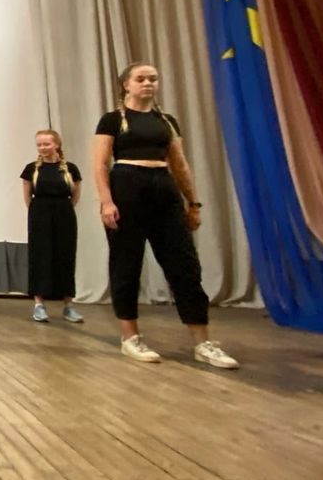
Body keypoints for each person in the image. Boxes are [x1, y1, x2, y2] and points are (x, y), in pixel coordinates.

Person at [92, 62, 238, 369]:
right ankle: (130, 338)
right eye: (141, 79)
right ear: (126, 85)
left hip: (164, 189)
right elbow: (100, 163)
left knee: (185, 266)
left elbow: (180, 164)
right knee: (126, 264)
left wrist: (193, 203)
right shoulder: (112, 120)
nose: (148, 83)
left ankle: (203, 343)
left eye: (153, 79)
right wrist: (106, 202)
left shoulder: (167, 122)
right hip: (127, 188)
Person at [21, 129, 84, 324]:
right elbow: (27, 197)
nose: (42, 148)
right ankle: (39, 304)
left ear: (57, 144)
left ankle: (68, 305)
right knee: (39, 257)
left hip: (64, 215)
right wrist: (39, 213)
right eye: (39, 144)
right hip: (39, 216)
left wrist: (62, 209)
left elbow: (75, 196)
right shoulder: (31, 169)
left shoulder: (70, 169)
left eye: (46, 144)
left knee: (66, 256)